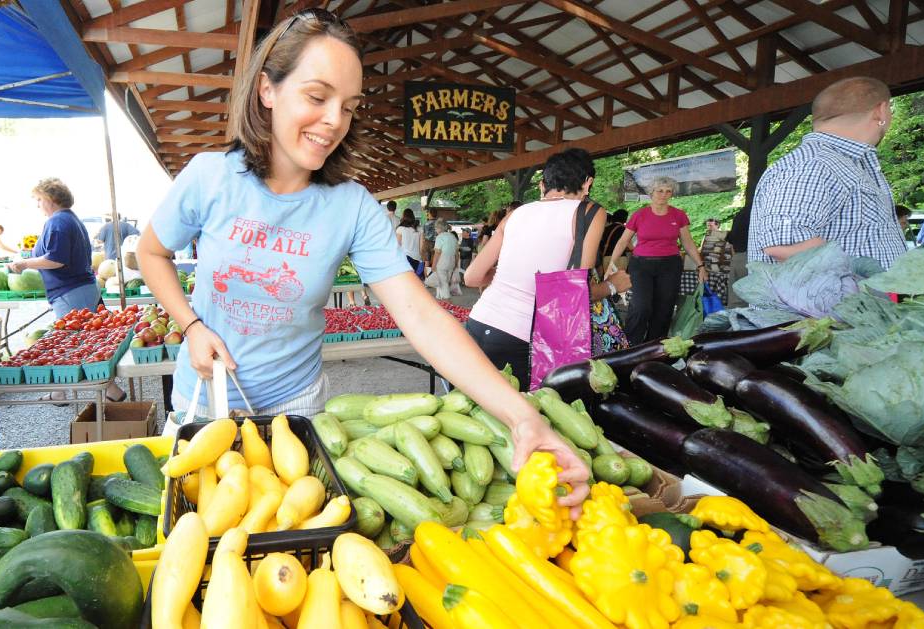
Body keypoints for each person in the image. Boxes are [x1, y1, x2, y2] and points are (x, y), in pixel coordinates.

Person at [135, 7, 588, 505]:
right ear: (267, 90)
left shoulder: (352, 207)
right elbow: (151, 252)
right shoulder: (210, 177)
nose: (334, 121)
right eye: (317, 96)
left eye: (349, 106)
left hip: (297, 413)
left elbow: (421, 315)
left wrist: (523, 416)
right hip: (205, 400)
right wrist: (192, 325)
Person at [464, 148, 632, 390]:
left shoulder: (516, 214)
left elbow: (472, 277)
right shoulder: (590, 212)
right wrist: (613, 284)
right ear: (588, 183)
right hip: (522, 338)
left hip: (478, 325)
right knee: (522, 418)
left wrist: (509, 274)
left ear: (543, 184)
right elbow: (575, 293)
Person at [748, 76, 906, 269]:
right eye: (890, 109)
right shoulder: (813, 164)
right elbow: (784, 245)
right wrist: (860, 284)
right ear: (880, 111)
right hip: (846, 300)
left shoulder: (834, 164)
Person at [8, 179, 125, 403]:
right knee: (85, 340)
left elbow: (56, 260)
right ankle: (98, 390)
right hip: (80, 288)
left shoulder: (58, 222)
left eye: (39, 200)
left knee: (73, 342)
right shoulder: (70, 219)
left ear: (51, 199)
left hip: (71, 291)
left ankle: (86, 391)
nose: (38, 205)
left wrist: (25, 264)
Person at [607, 176, 707, 345]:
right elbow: (623, 241)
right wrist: (611, 263)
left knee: (664, 309)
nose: (663, 194)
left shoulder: (679, 215)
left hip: (670, 266)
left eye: (668, 191)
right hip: (641, 265)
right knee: (641, 306)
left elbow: (688, 242)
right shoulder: (639, 215)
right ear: (651, 193)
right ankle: (630, 345)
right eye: (660, 191)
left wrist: (701, 265)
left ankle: (654, 347)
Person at [424, 219, 461, 300]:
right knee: (445, 283)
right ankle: (443, 302)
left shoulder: (439, 237)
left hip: (442, 262)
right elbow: (456, 253)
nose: (435, 230)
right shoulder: (452, 237)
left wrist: (433, 265)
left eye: (436, 228)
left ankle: (448, 303)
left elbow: (437, 253)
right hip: (451, 262)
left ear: (440, 228)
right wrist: (456, 264)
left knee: (443, 284)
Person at [395, 209, 423, 274]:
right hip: (416, 258)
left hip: (404, 258)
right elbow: (421, 246)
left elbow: (397, 245)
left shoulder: (400, 229)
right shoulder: (419, 228)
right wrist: (421, 259)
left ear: (403, 216)